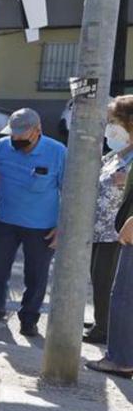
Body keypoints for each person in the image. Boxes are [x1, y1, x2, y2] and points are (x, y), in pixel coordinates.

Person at [0, 108, 67, 337]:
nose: (16, 138)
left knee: (36, 275)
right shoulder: (3, 147)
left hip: (41, 226)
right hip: (5, 220)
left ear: (38, 130)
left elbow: (68, 190)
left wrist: (62, 226)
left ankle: (29, 318)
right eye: (13, 133)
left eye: (21, 134)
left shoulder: (58, 152)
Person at [84, 96, 133, 344]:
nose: (110, 126)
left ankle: (105, 330)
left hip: (119, 232)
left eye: (114, 121)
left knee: (105, 280)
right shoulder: (121, 151)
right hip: (101, 229)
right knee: (97, 278)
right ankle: (102, 320)